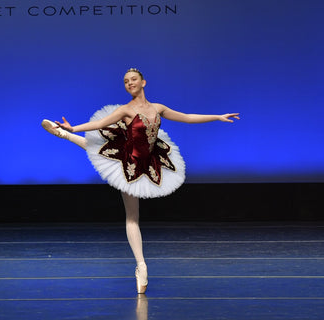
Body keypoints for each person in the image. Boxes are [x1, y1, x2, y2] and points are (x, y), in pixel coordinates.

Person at [41, 68, 240, 294]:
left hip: (151, 159)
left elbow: (186, 117)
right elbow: (100, 123)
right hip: (129, 162)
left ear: (143, 82)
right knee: (130, 212)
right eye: (125, 81)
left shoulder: (158, 108)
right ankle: (142, 266)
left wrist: (217, 117)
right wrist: (74, 127)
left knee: (99, 152)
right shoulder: (125, 110)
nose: (129, 83)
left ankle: (65, 135)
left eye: (133, 79)